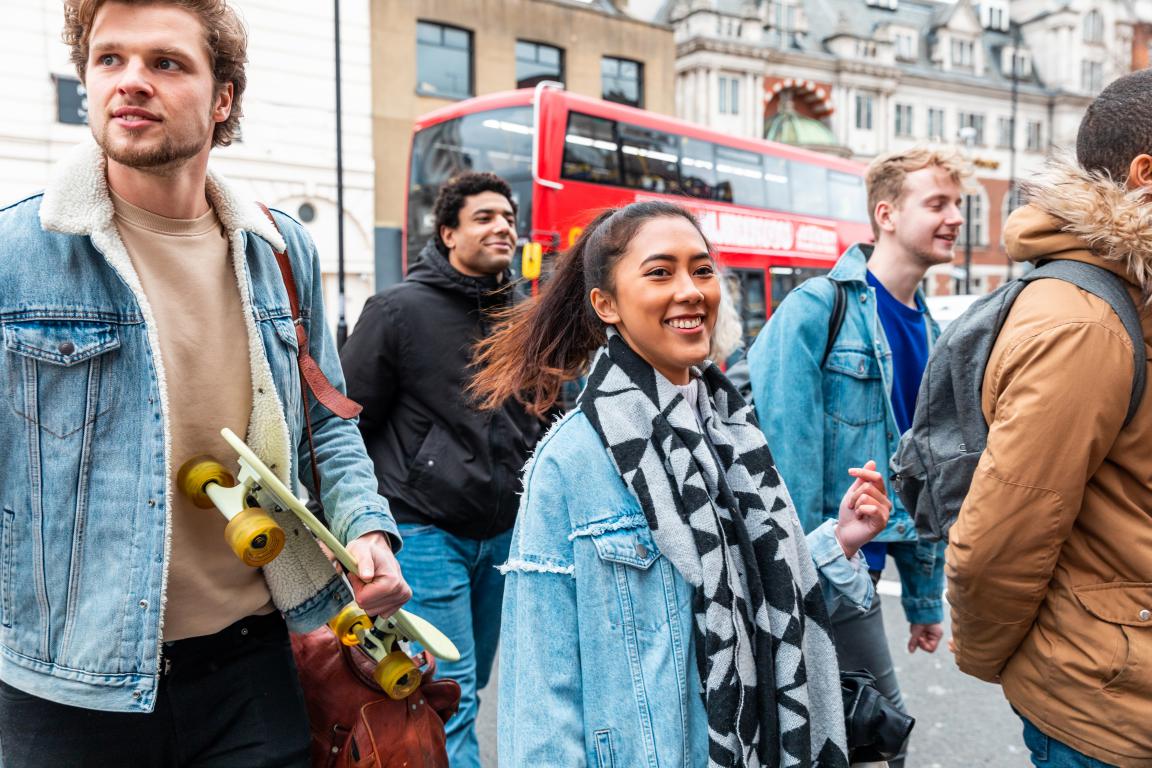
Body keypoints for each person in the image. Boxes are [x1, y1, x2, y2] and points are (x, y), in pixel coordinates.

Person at [0, 1, 410, 765]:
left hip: (250, 667)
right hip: (63, 686)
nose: (130, 82)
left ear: (223, 98)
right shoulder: (16, 252)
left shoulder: (282, 250)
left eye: (166, 63)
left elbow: (327, 422)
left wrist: (366, 529)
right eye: (109, 60)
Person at [471, 200, 892, 767]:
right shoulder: (573, 458)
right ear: (606, 304)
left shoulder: (733, 430)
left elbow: (753, 584)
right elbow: (540, 689)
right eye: (660, 272)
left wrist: (837, 541)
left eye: (701, 269)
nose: (691, 290)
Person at [948, 70, 1152, 768]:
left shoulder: (1136, 297)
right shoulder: (1083, 324)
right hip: (1105, 709)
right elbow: (1001, 536)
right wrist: (1007, 661)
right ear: (1145, 174)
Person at [747, 147, 968, 766]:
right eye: (938, 204)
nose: (955, 218)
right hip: (822, 573)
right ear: (887, 214)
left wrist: (924, 600)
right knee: (879, 740)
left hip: (865, 576)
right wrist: (801, 578)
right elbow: (780, 464)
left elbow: (926, 482)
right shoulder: (818, 308)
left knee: (847, 739)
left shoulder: (930, 332)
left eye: (958, 204)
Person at [340, 171, 543, 768]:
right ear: (449, 233)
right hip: (427, 531)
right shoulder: (397, 310)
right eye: (484, 217)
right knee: (444, 693)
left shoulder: (524, 314)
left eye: (508, 217)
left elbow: (545, 409)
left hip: (504, 535)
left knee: (468, 689)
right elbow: (346, 417)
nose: (502, 226)